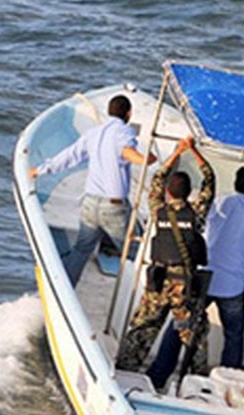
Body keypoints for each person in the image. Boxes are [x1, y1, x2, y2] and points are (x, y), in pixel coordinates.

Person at [115, 137, 215, 388]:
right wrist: (193, 152)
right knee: (194, 333)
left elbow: (157, 179)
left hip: (158, 282)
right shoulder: (196, 213)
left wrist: (176, 153)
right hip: (184, 286)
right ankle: (195, 381)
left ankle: (123, 373)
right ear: (189, 192)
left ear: (169, 192)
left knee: (143, 327)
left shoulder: (158, 209)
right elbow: (210, 182)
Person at [29, 95, 157, 286]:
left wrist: (39, 170)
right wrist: (148, 159)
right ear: (128, 114)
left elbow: (68, 157)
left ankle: (62, 287)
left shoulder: (93, 133)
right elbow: (128, 153)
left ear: (109, 112)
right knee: (135, 252)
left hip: (89, 203)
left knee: (82, 249)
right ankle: (145, 297)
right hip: (113, 207)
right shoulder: (124, 132)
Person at [204, 165, 244, 368]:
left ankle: (159, 372)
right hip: (232, 285)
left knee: (181, 325)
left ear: (235, 183)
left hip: (205, 277)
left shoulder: (219, 202)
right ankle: (227, 375)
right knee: (233, 336)